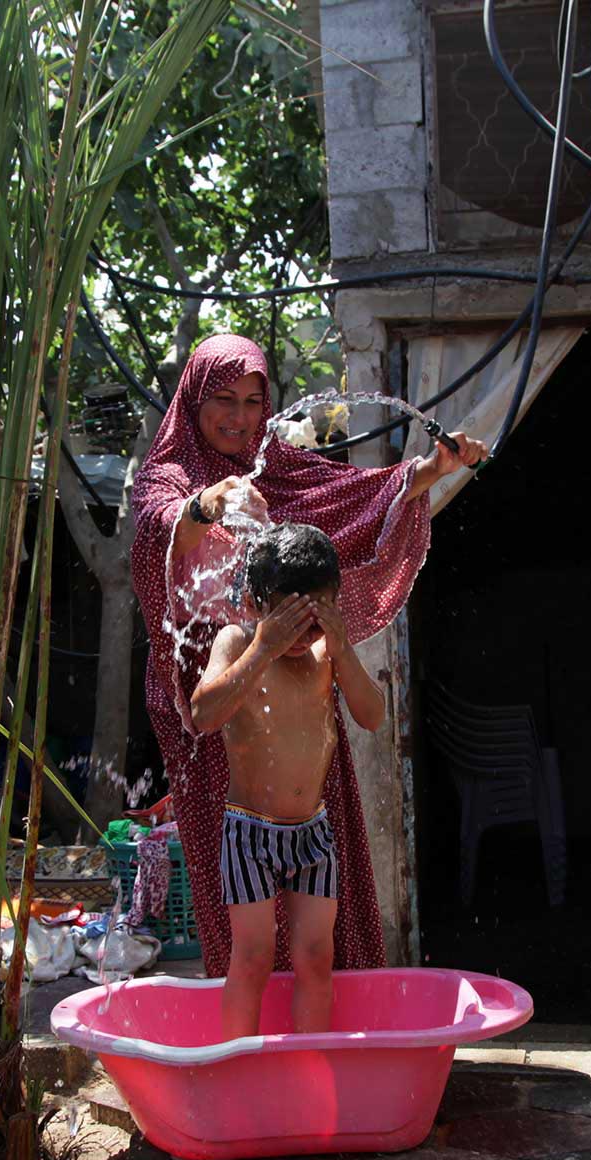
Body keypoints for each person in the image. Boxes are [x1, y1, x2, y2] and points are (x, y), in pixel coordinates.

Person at [128, 334, 484, 989]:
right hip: (214, 703)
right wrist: (207, 506)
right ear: (192, 397)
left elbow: (349, 500)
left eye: (251, 401)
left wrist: (431, 470)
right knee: (246, 931)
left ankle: (330, 1037)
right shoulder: (171, 470)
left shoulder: (279, 464)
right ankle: (252, 1047)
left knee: (320, 920)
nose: (238, 418)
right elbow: (156, 526)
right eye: (222, 401)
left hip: (298, 696)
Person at [189, 524, 384, 1038]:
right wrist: (263, 649)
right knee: (252, 955)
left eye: (314, 623)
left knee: (317, 956)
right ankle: (236, 1065)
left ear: (334, 608)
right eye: (288, 623)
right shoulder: (236, 643)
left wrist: (340, 649)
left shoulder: (327, 656)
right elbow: (204, 713)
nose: (302, 639)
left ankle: (308, 1061)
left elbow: (373, 716)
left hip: (312, 834)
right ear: (256, 606)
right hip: (249, 833)